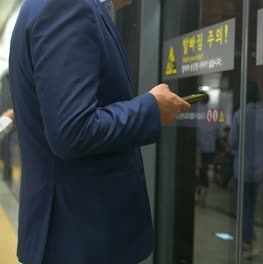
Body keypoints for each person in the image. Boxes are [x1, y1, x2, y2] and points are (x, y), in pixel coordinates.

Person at [8, 0, 190, 263]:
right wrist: (151, 108)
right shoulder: (65, 6)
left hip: (72, 233)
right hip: (78, 237)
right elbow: (73, 131)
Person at [230, 81, 263, 259]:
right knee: (251, 208)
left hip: (242, 170)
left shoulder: (240, 115)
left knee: (242, 209)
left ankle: (249, 242)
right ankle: (249, 241)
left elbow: (233, 142)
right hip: (258, 170)